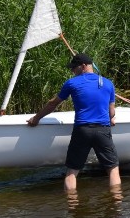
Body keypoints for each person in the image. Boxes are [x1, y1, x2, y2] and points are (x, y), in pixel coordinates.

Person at [27, 53, 121, 192]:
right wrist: (110, 118)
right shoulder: (108, 83)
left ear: (83, 66)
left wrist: (36, 118)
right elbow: (111, 113)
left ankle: (72, 206)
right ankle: (116, 204)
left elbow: (53, 104)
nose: (72, 71)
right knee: (113, 170)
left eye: (73, 68)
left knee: (72, 172)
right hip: (103, 130)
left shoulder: (72, 83)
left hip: (82, 130)